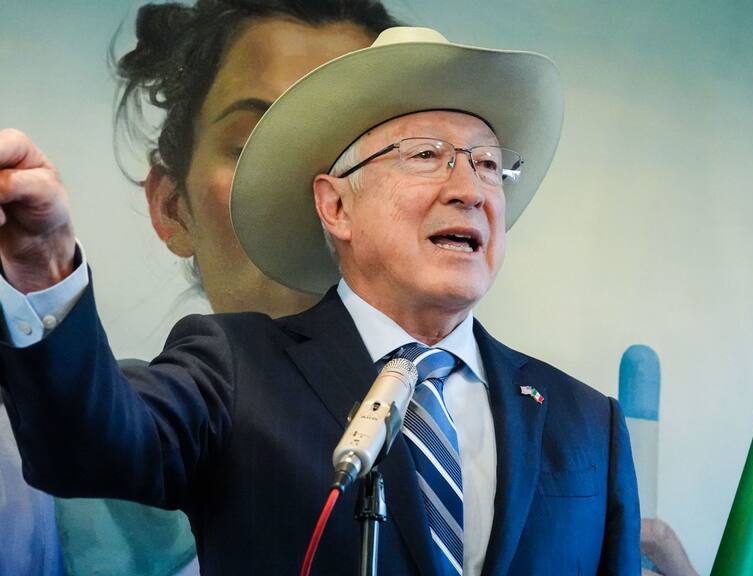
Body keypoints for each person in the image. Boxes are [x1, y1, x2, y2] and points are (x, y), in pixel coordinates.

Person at [0, 25, 641, 575]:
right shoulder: (236, 367)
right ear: (336, 206)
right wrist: (43, 267)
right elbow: (85, 448)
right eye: (428, 155)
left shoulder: (588, 423)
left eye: (488, 165)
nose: (470, 190)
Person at [1, 1, 400, 574]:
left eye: (360, 150)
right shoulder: (29, 476)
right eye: (252, 144)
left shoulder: (504, 441)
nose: (321, 193)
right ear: (172, 207)